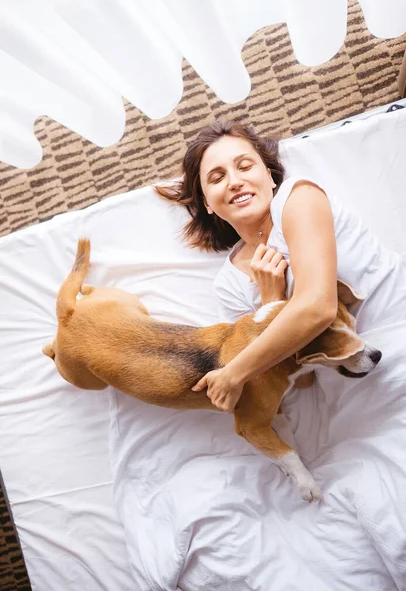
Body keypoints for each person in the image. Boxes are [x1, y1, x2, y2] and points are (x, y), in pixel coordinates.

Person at [155, 119, 405, 415]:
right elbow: (301, 383)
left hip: (397, 331)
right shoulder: (230, 284)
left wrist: (233, 374)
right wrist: (271, 303)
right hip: (353, 394)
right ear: (207, 202)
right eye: (217, 177)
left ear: (270, 176)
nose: (235, 181)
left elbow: (318, 307)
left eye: (245, 166)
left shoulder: (297, 199)